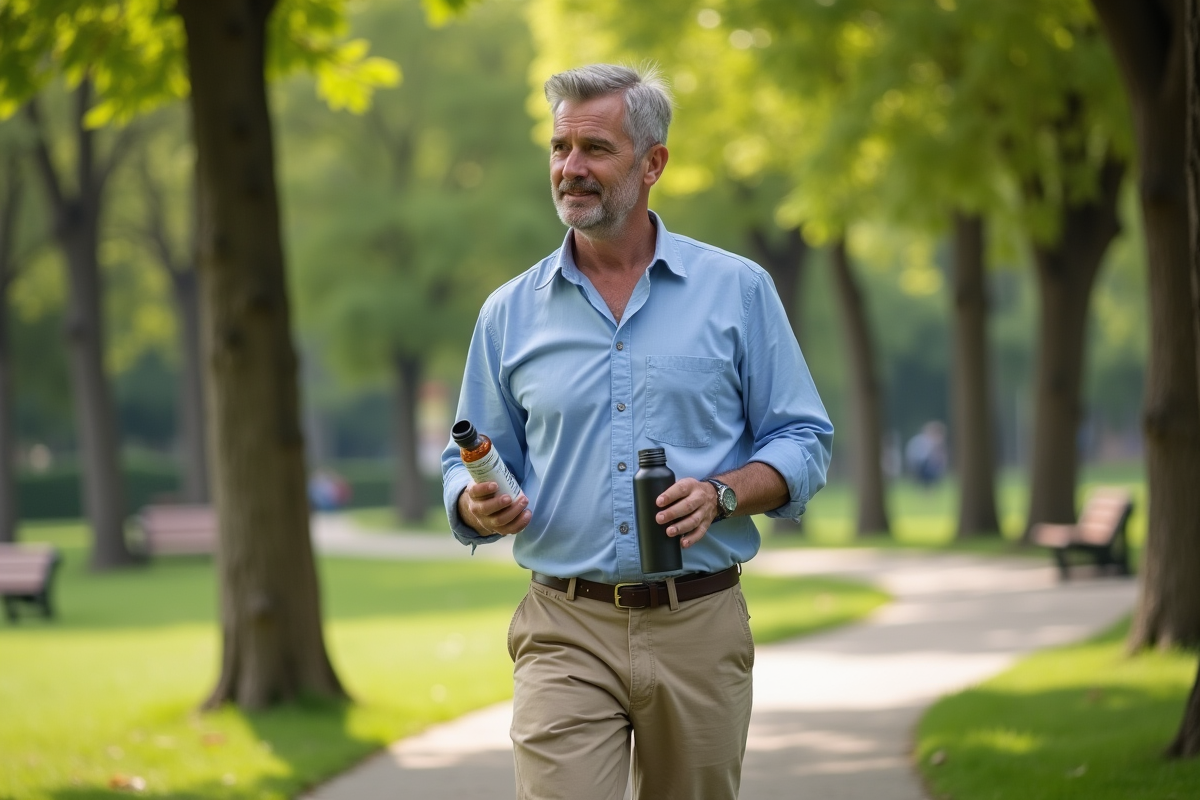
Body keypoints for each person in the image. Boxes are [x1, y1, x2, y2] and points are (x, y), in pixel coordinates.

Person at [441, 64, 833, 800]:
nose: (570, 169)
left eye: (595, 149)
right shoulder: (508, 313)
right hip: (563, 626)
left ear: (652, 163)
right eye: (560, 148)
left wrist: (722, 493)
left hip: (699, 624)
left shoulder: (738, 290)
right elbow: (465, 457)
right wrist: (472, 501)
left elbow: (803, 439)